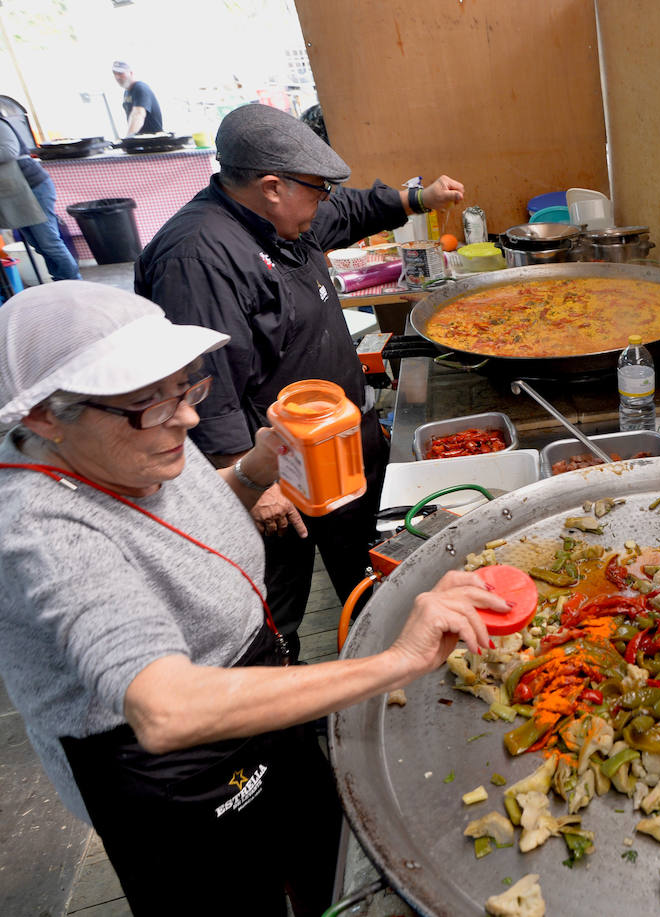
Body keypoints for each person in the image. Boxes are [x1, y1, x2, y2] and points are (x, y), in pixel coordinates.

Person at [0, 281, 509, 917]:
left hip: (262, 693)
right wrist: (397, 661)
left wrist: (253, 471)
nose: (184, 419)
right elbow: (166, 709)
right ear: (45, 416)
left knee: (332, 863)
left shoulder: (129, 435)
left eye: (187, 387)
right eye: (150, 404)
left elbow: (179, 520)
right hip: (170, 776)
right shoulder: (44, 534)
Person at [134, 102, 466, 659]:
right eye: (316, 190)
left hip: (337, 448)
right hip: (275, 472)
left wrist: (416, 198)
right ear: (271, 186)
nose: (324, 203)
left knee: (364, 569)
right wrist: (251, 480)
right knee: (275, 596)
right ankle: (282, 705)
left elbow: (349, 211)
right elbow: (203, 389)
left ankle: (375, 662)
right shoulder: (198, 258)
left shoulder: (284, 219)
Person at [0, 106, 81, 281]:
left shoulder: (1, 125)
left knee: (49, 242)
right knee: (38, 244)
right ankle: (61, 281)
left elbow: (9, 151)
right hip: (17, 193)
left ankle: (73, 283)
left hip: (33, 187)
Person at [111, 60, 162, 135]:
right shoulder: (127, 92)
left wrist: (128, 139)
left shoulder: (140, 88)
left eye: (121, 73)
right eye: (115, 73)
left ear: (131, 73)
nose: (117, 77)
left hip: (153, 141)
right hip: (140, 140)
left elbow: (138, 114)